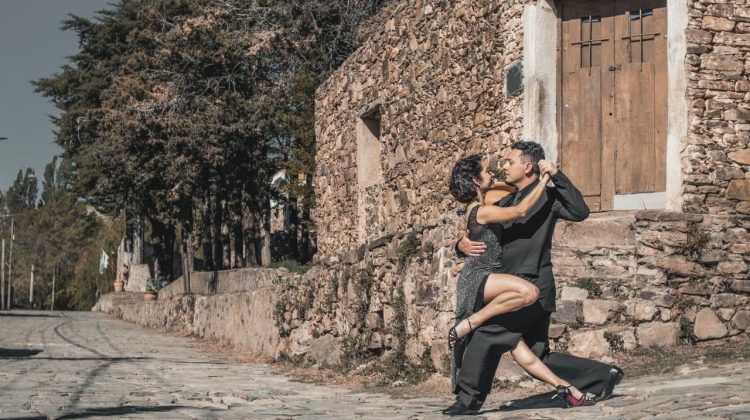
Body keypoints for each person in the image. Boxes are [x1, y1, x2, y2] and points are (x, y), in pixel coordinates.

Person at [443, 141, 624, 416]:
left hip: (533, 286)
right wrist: (460, 245)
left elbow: (580, 211)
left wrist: (557, 177)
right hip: (511, 287)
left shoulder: (548, 199)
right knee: (538, 355)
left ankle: (468, 401)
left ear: (528, 166)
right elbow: (480, 231)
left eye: (509, 161)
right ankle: (602, 376)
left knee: (487, 333)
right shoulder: (505, 200)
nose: (503, 166)